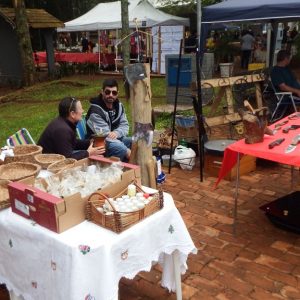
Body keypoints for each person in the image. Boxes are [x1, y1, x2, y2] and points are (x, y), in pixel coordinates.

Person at [38, 97, 105, 160]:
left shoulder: (63, 123)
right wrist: (88, 153)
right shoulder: (62, 130)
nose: (82, 111)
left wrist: (89, 142)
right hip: (48, 166)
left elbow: (72, 143)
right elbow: (68, 159)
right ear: (72, 114)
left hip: (57, 159)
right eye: (81, 109)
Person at [86, 79, 132, 161]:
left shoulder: (119, 106)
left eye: (114, 93)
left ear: (117, 93)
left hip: (115, 139)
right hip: (98, 143)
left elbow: (125, 125)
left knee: (134, 142)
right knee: (121, 148)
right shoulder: (95, 111)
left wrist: (116, 133)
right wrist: (126, 150)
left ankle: (130, 165)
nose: (111, 95)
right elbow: (104, 135)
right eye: (107, 92)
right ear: (102, 92)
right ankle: (116, 169)